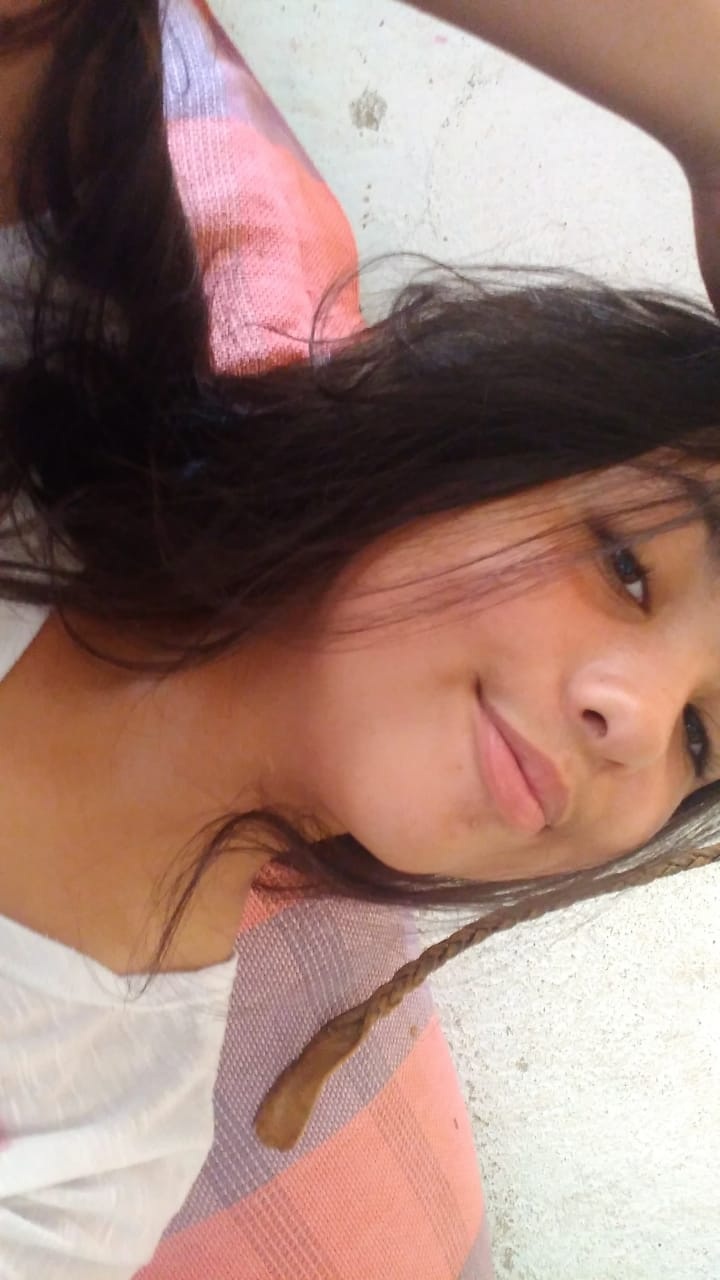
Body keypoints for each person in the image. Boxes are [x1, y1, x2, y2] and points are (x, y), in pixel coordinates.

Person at [0, 1, 718, 1277]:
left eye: (709, 737)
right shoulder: (51, 306)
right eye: (626, 563)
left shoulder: (93, 1152)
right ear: (488, 427)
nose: (643, 723)